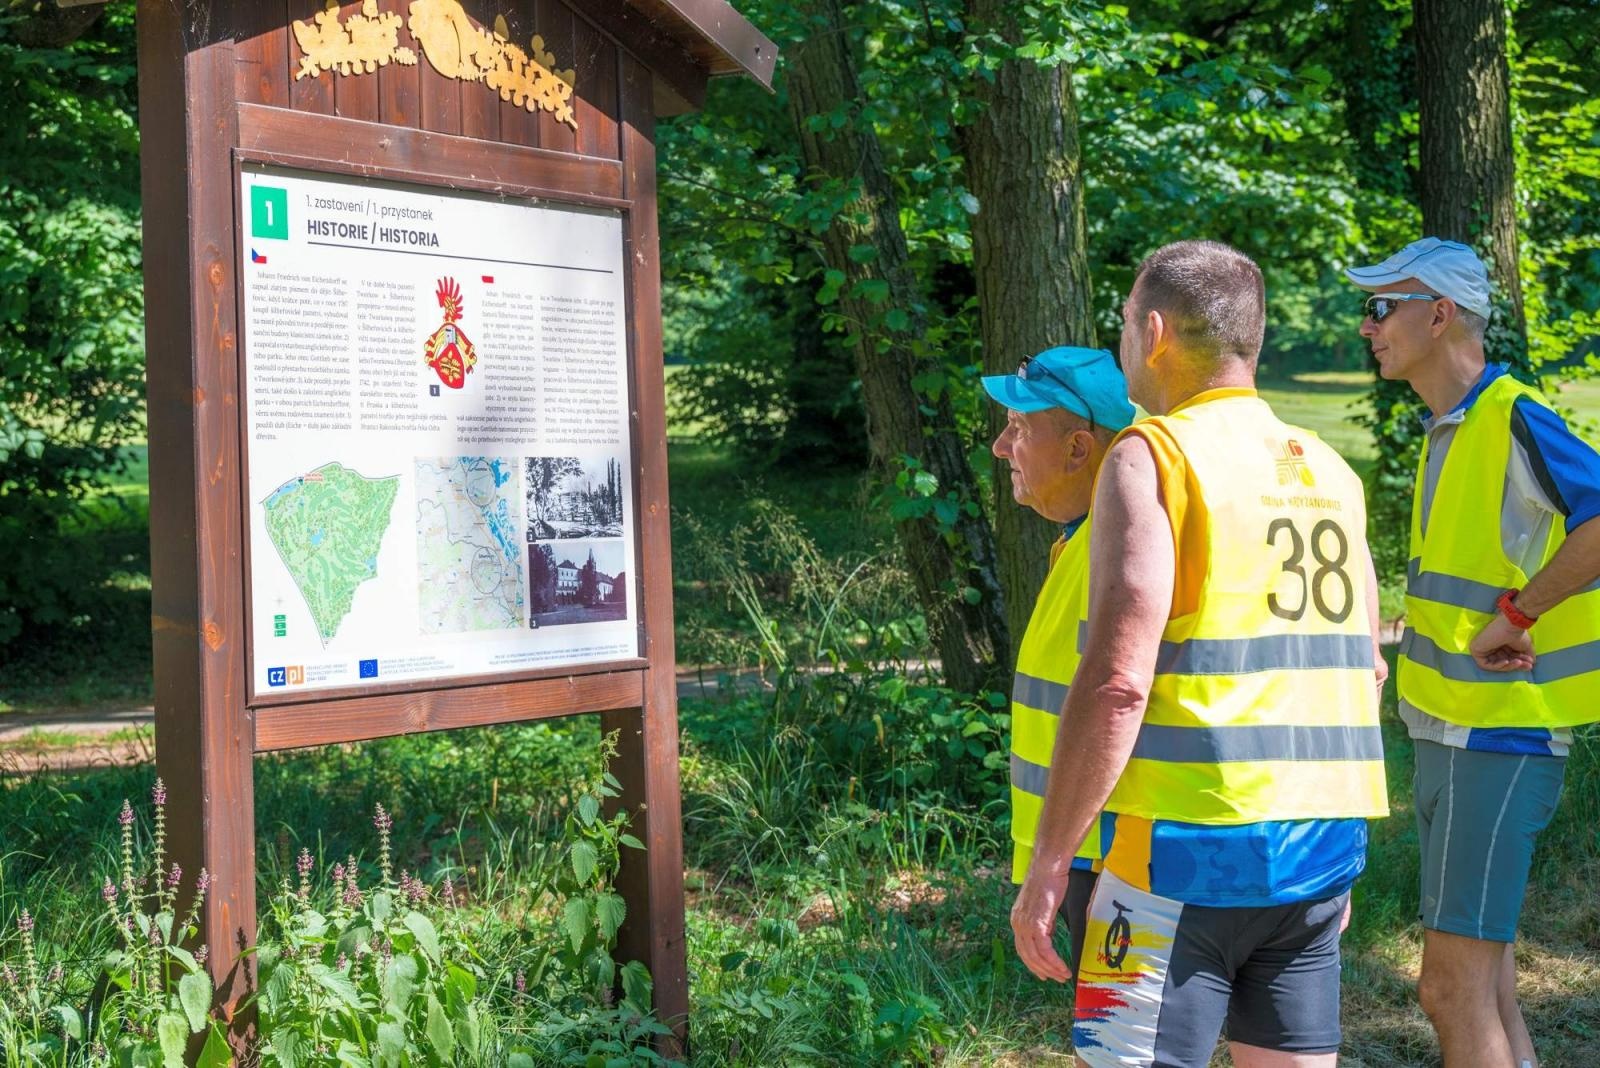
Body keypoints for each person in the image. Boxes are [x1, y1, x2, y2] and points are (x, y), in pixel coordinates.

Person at [1012, 240, 1390, 1068]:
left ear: (1152, 331)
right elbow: (1363, 666)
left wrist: (1048, 862)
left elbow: (1117, 681)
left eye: (1121, 325)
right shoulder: (1331, 472)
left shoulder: (1152, 457)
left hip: (1171, 860)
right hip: (1317, 856)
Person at [1346, 237, 1600, 1068]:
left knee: (1450, 990)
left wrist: (1520, 613)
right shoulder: (1450, 427)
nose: (1367, 325)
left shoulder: (1512, 416)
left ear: (1440, 314)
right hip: (1453, 734)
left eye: (1382, 308)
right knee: (1482, 988)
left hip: (1498, 739)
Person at [984, 345, 1137, 979]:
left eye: (1019, 428)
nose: (999, 446)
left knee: (1117, 1045)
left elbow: (1119, 690)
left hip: (1115, 853)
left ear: (1079, 449)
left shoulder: (1122, 544)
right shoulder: (1086, 538)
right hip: (1088, 846)